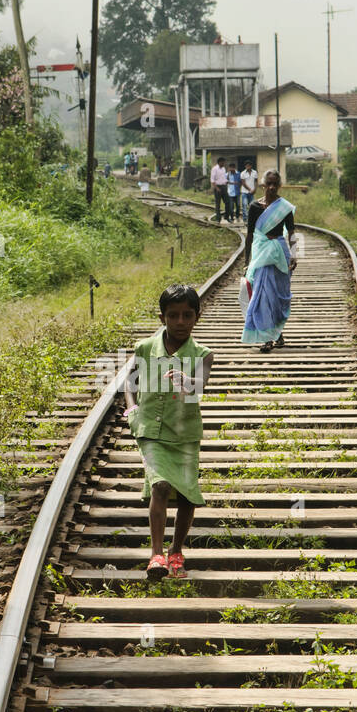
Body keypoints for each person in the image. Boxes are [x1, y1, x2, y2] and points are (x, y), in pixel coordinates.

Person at [124, 285, 215, 580]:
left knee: (188, 495)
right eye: (173, 315)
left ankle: (177, 550)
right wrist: (131, 410)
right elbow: (131, 382)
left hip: (185, 432)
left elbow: (199, 385)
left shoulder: (202, 354)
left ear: (196, 318)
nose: (180, 322)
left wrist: (185, 379)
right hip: (151, 429)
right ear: (162, 317)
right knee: (160, 486)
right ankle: (156, 555)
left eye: (187, 315)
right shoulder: (144, 348)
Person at [242, 170, 297, 353]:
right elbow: (249, 235)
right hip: (260, 253)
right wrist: (246, 260)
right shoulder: (255, 207)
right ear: (263, 185)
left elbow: (291, 232)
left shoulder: (284, 207)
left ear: (279, 185)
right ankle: (267, 338)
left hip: (279, 253)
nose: (272, 187)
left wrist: (295, 255)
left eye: (275, 184)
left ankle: (276, 332)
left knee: (278, 296)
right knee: (262, 294)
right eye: (269, 183)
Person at [209, 156, 228, 221]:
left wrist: (226, 184)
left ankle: (226, 216)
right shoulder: (214, 169)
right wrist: (217, 188)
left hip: (224, 186)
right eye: (223, 162)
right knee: (218, 203)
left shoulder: (223, 169)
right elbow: (212, 180)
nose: (224, 164)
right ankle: (218, 218)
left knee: (227, 202)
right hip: (217, 187)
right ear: (219, 162)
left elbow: (224, 178)